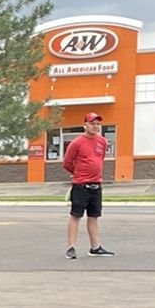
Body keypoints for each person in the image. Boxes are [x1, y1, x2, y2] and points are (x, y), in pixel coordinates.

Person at [61, 111, 113, 260]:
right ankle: (71, 247)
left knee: (94, 216)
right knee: (75, 215)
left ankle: (95, 247)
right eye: (92, 123)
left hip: (96, 184)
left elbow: (99, 159)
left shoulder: (102, 141)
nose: (95, 126)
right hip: (81, 185)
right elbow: (67, 163)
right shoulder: (76, 142)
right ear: (85, 125)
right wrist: (78, 173)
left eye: (97, 124)